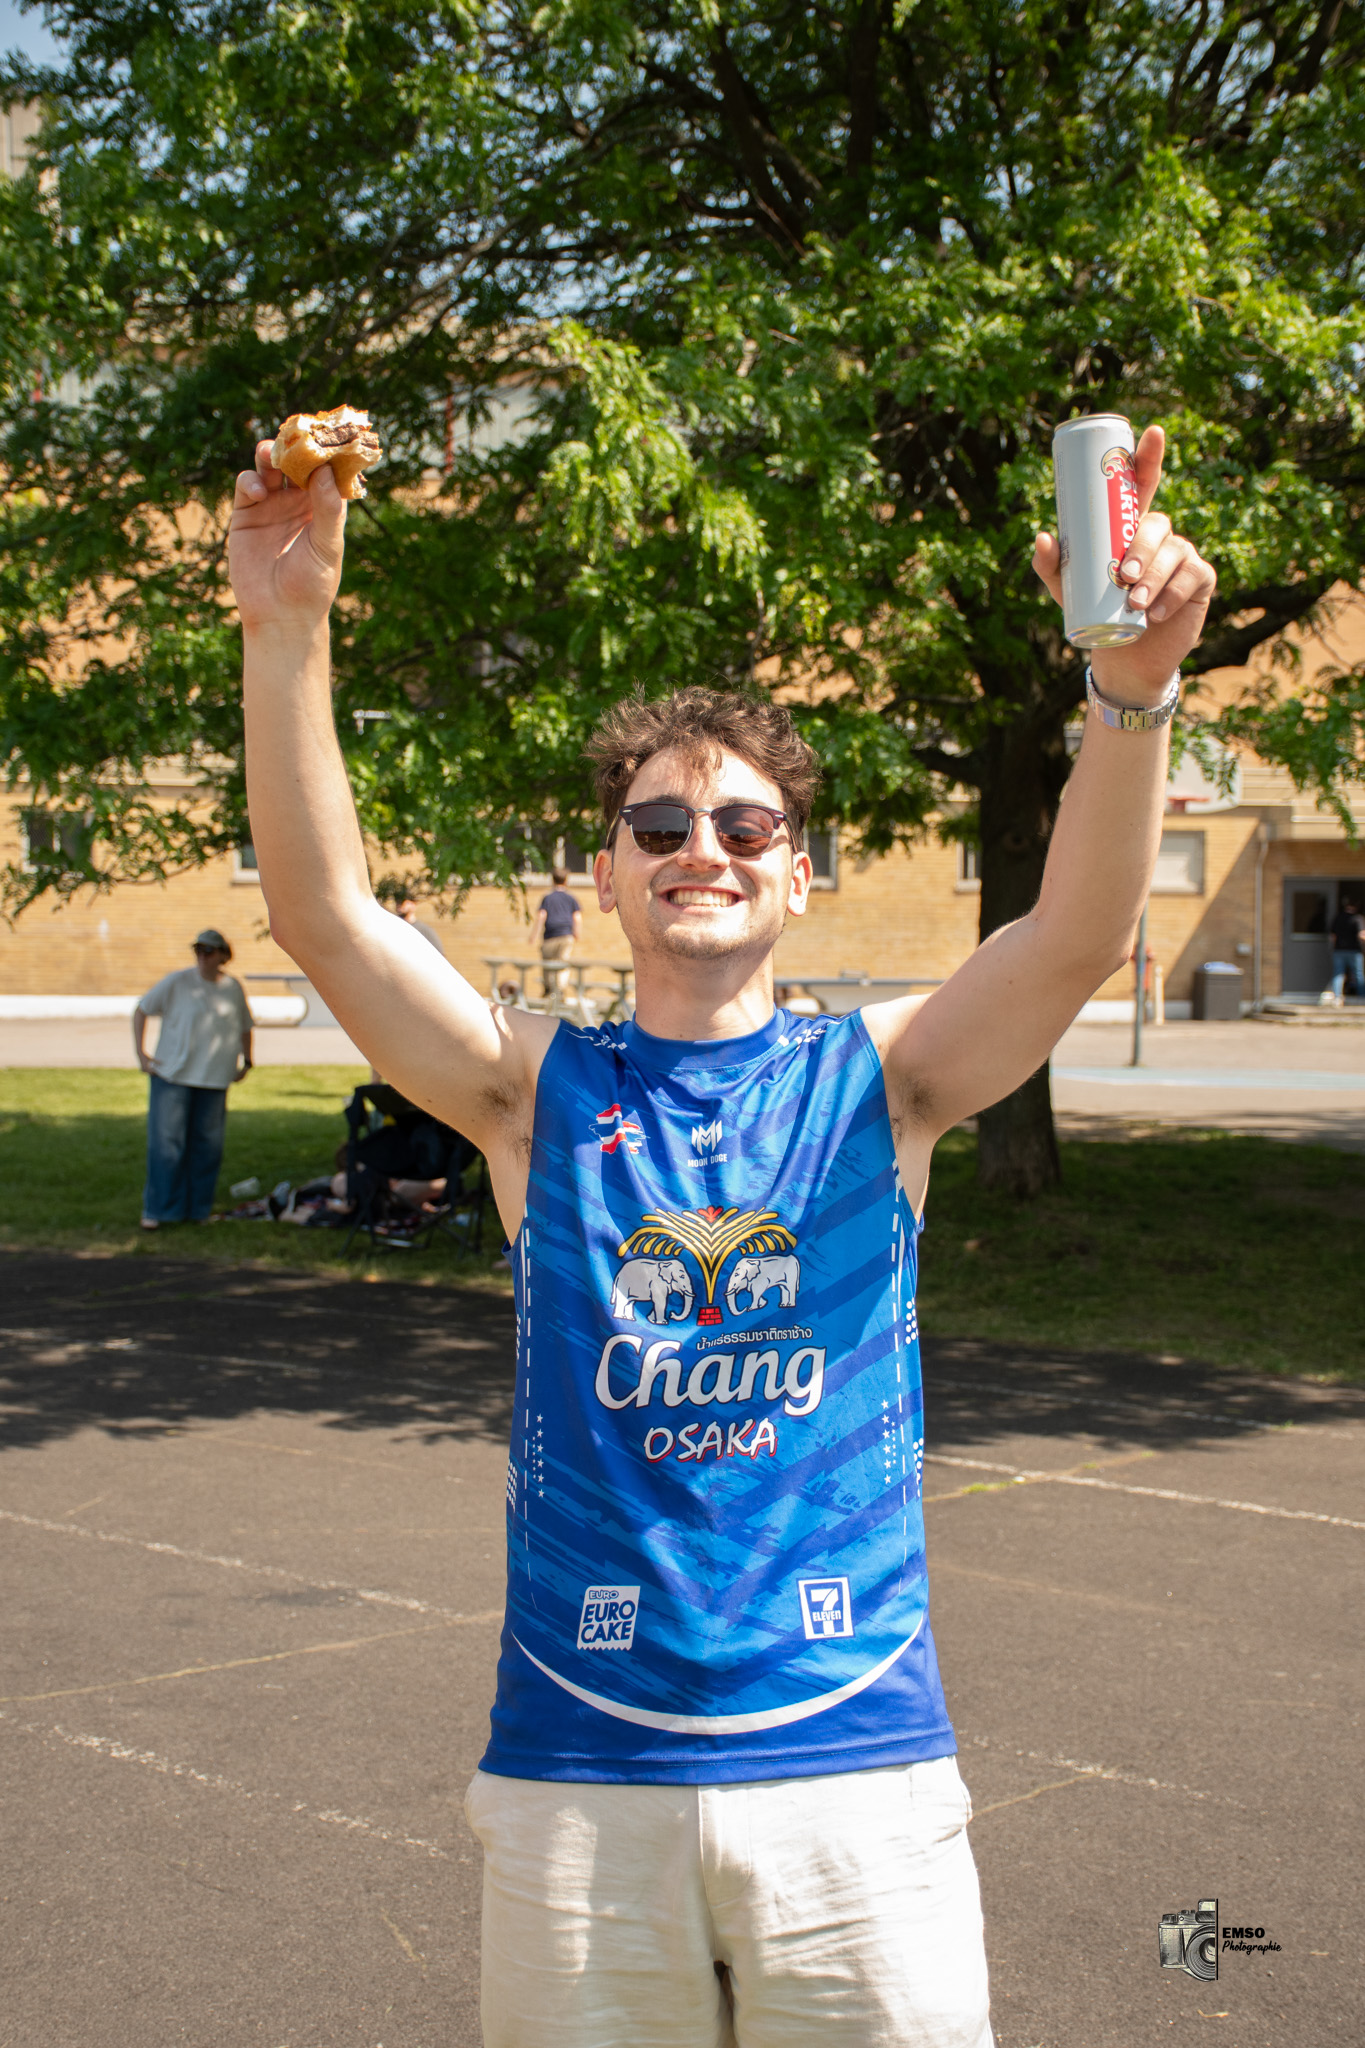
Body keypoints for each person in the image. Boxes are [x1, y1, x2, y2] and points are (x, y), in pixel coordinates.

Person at [229, 426, 1214, 2047]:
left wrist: (1132, 693)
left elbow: (1077, 935)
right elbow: (327, 912)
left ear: (801, 876)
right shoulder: (530, 1091)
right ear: (603, 876)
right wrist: (288, 631)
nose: (704, 846)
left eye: (746, 826)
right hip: (579, 1776)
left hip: (858, 1773)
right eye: (662, 823)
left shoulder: (882, 1079)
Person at [133, 930, 254, 1229]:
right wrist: (142, 1055)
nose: (203, 956)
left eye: (209, 951)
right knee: (166, 1145)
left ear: (223, 955)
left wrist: (247, 1060)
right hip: (172, 1076)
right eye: (199, 949)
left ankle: (198, 1209)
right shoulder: (177, 982)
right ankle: (160, 1210)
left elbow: (244, 1026)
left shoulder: (232, 988)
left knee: (206, 1147)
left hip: (214, 1079)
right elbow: (142, 1010)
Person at [532, 863, 583, 997]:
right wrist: (576, 933)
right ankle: (559, 990)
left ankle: (549, 990)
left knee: (548, 964)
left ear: (552, 880)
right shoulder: (571, 898)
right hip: (566, 936)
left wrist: (534, 935)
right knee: (562, 963)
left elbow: (541, 916)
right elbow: (577, 917)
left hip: (550, 935)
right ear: (566, 880)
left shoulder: (548, 898)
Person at [1329, 894, 1365, 1002]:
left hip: (1339, 950)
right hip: (1354, 951)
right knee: (1358, 973)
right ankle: (1362, 998)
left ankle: (1337, 997)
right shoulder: (1358, 918)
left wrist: (1334, 947)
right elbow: (1362, 935)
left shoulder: (1338, 917)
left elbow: (1333, 936)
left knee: (1338, 973)